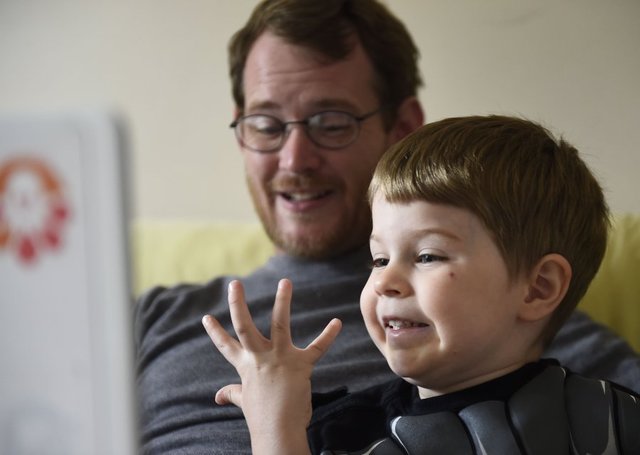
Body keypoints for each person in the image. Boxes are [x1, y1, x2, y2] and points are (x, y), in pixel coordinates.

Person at [134, 1, 640, 453]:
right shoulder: (154, 316)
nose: (294, 159)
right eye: (266, 125)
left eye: (330, 122)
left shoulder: (512, 318)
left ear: (400, 130)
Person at [202, 115, 640, 454]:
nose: (385, 281)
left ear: (538, 288)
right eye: (378, 258)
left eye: (427, 256)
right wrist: (275, 430)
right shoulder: (340, 431)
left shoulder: (613, 418)